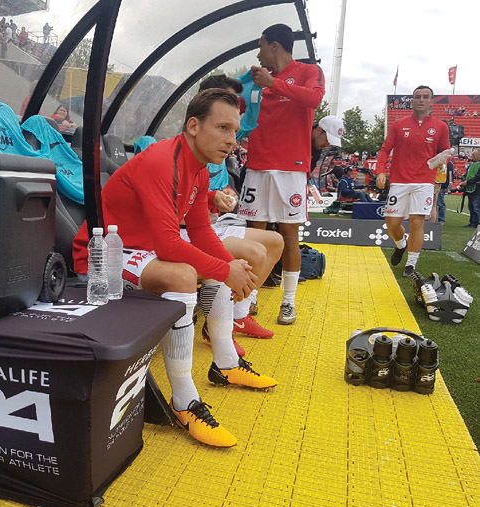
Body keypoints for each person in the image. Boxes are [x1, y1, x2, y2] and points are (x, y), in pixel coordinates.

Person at [72, 90, 276, 448]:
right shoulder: (161, 160)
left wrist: (230, 266)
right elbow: (169, 245)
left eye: (235, 131)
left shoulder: (196, 168)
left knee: (221, 264)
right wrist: (226, 269)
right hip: (103, 256)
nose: (231, 140)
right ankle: (184, 401)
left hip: (142, 251)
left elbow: (199, 232)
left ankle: (225, 364)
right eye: (223, 128)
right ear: (193, 126)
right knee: (184, 273)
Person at [236, 24, 325, 325]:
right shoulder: (255, 79)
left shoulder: (308, 72)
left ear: (274, 46)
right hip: (258, 166)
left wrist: (273, 83)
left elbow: (313, 99)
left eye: (261, 46)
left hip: (291, 168)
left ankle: (288, 302)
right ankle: (249, 298)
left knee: (289, 235)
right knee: (254, 233)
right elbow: (233, 101)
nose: (258, 53)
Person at [195, 74, 284, 338]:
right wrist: (210, 199)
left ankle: (238, 315)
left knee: (276, 241)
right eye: (224, 127)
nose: (232, 139)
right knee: (255, 253)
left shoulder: (213, 150)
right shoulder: (187, 148)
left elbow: (204, 192)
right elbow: (182, 211)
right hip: (187, 231)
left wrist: (221, 196)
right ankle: (218, 325)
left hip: (209, 222)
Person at [375, 85, 450, 276]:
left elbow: (446, 153)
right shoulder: (399, 124)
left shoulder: (441, 127)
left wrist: (440, 161)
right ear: (412, 100)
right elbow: (385, 150)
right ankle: (401, 245)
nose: (421, 100)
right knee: (391, 223)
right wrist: (380, 171)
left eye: (426, 97)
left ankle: (411, 264)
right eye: (417, 97)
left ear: (431, 101)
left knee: (417, 223)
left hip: (424, 182)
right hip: (399, 181)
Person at [461, 149, 480, 228]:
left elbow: (478, 177)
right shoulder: (471, 165)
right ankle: (472, 222)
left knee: (475, 207)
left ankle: (476, 223)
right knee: (471, 206)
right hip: (470, 189)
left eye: (474, 155)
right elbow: (466, 175)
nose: (472, 157)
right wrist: (463, 180)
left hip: (477, 189)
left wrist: (468, 182)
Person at [436, 159, 453, 223]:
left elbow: (450, 175)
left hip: (441, 185)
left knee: (440, 203)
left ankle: (441, 219)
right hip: (434, 184)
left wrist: (448, 186)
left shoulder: (449, 163)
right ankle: (434, 218)